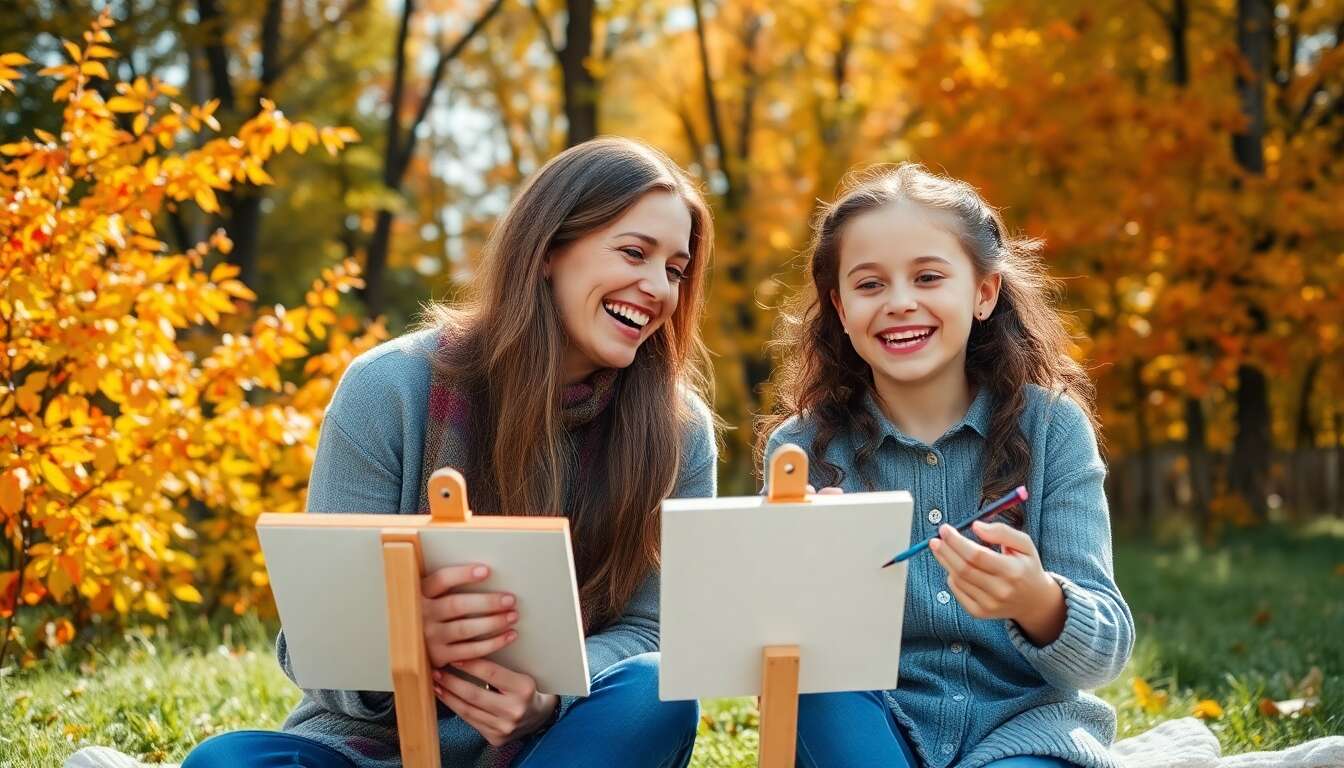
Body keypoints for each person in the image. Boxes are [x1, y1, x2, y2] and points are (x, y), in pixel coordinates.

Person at [183, 137, 719, 768]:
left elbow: (655, 632)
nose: (657, 287)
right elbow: (312, 648)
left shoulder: (678, 433)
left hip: (558, 745)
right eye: (634, 252)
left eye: (676, 270)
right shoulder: (388, 389)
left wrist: (551, 696)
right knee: (225, 763)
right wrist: (406, 643)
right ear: (549, 250)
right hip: (373, 750)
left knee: (655, 691)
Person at [759, 163, 1134, 768]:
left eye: (929, 277)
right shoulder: (801, 452)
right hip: (868, 724)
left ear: (984, 293)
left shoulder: (1053, 430)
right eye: (870, 285)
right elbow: (771, 657)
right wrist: (809, 575)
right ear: (841, 307)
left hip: (1025, 733)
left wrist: (1037, 600)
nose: (901, 303)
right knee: (817, 689)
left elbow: (1106, 654)